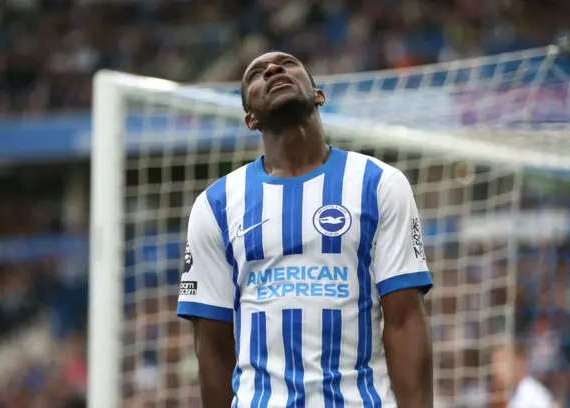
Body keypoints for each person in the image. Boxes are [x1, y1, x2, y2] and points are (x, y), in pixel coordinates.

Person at [177, 51, 434, 408]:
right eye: (255, 74)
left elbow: (405, 321)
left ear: (318, 95)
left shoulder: (380, 185)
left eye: (287, 63)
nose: (271, 69)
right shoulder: (215, 206)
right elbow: (212, 347)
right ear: (249, 119)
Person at [491, 343, 557, 408]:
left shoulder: (535, 398)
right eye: (494, 363)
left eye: (501, 362)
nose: (495, 369)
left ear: (519, 363)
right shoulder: (496, 395)